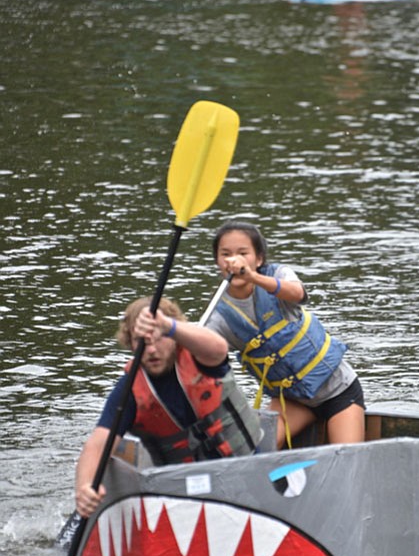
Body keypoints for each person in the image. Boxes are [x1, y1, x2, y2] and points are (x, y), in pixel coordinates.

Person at [75, 296, 262, 518]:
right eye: (142, 341)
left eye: (160, 337)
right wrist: (84, 488)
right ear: (131, 343)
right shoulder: (129, 391)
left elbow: (219, 348)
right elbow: (97, 445)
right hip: (185, 494)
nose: (152, 350)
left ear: (174, 336)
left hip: (246, 471)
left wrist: (168, 325)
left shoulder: (199, 355)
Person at [206, 220, 366, 449]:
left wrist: (252, 277)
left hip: (337, 391)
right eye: (225, 254)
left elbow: (298, 293)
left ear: (258, 259)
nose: (233, 260)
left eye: (243, 253)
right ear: (217, 262)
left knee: (348, 456)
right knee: (257, 452)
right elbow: (205, 353)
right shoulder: (218, 315)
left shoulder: (278, 275)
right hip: (291, 401)